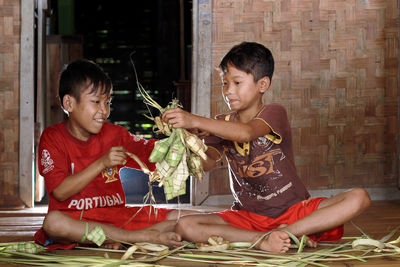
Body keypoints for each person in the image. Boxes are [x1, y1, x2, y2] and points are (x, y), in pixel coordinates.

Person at [162, 42, 371, 253]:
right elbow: (205, 164)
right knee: (185, 225)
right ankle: (264, 239)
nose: (228, 91)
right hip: (248, 216)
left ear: (262, 85)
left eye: (237, 82)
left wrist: (196, 120)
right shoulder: (219, 123)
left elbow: (246, 132)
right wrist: (189, 142)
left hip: (295, 212)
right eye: (224, 83)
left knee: (359, 197)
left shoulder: (273, 112)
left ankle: (288, 231)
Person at [34, 59, 197, 250]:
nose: (104, 110)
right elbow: (60, 192)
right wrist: (102, 163)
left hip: (117, 220)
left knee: (187, 219)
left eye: (107, 102)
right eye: (96, 102)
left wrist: (183, 141)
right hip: (78, 223)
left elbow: (152, 155)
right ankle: (139, 237)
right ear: (69, 103)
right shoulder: (53, 138)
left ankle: (124, 238)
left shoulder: (115, 135)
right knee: (54, 223)